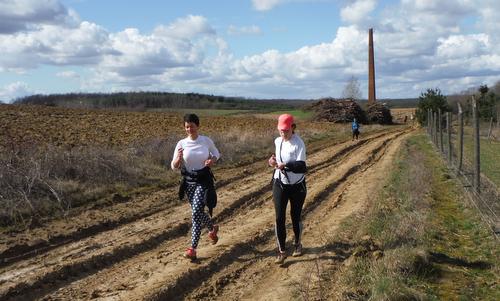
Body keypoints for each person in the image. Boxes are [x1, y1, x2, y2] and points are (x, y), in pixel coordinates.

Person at [171, 113, 220, 261]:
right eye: (186, 126)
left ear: (198, 126)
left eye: (192, 126)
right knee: (197, 211)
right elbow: (174, 166)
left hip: (203, 180)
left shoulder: (206, 141)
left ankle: (192, 248)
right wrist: (178, 160)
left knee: (195, 213)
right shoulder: (181, 144)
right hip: (188, 182)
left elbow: (217, 153)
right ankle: (212, 229)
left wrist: (212, 160)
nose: (189, 129)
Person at [268, 114, 307, 264]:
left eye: (286, 130)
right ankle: (282, 251)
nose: (283, 133)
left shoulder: (299, 144)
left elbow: (302, 167)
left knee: (295, 216)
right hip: (280, 183)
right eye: (280, 130)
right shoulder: (278, 141)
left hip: (297, 186)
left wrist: (286, 165)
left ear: (293, 127)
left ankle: (297, 243)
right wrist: (271, 161)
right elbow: (275, 158)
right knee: (279, 218)